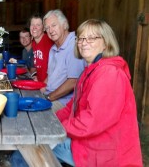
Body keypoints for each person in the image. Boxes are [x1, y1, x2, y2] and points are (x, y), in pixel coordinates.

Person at [52, 19, 143, 166]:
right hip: (90, 142)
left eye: (92, 38)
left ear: (106, 43)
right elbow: (72, 107)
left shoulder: (109, 73)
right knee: (38, 142)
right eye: (81, 38)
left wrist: (58, 128)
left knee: (35, 145)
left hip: (105, 153)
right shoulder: (91, 70)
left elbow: (91, 122)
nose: (84, 42)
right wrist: (52, 121)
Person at [42, 9, 85, 112]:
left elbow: (73, 82)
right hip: (50, 96)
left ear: (64, 25)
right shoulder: (53, 48)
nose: (50, 30)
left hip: (64, 102)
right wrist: (37, 92)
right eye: (47, 28)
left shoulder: (73, 46)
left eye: (54, 25)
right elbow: (49, 78)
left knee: (37, 116)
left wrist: (48, 98)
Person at [29, 13, 54, 83]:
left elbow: (55, 69)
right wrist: (37, 77)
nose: (34, 27)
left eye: (38, 25)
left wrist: (43, 84)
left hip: (48, 87)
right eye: (32, 24)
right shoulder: (34, 43)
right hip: (40, 84)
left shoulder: (49, 40)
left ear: (43, 28)